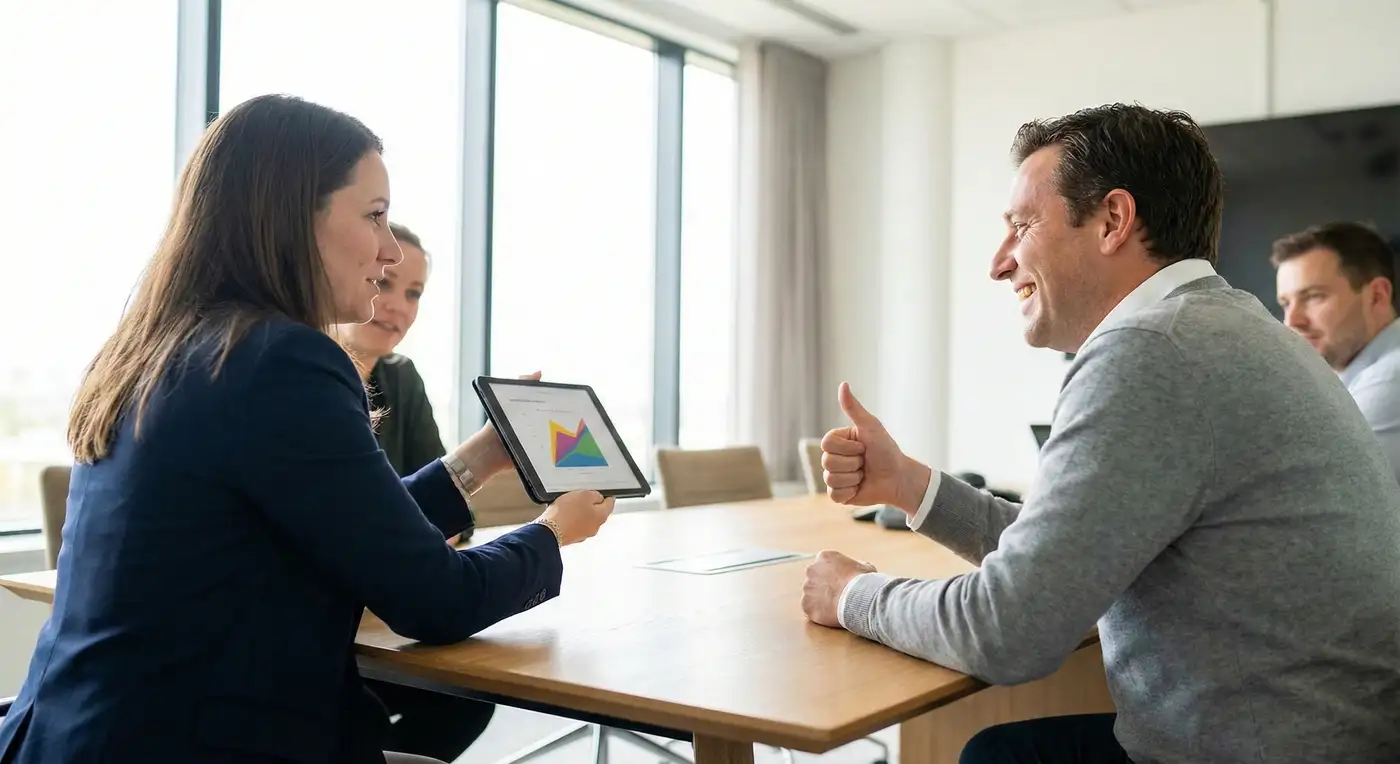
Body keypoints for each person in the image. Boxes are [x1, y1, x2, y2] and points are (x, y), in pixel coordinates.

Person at [0, 94, 615, 764]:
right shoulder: (281, 360)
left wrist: (483, 456)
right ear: (295, 217)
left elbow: (346, 522)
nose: (387, 251)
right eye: (374, 217)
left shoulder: (162, 351)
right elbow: (437, 599)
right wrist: (554, 532)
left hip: (70, 737)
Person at [803, 104, 1400, 763]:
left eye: (1022, 226)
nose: (999, 264)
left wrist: (851, 594)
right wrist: (911, 486)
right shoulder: (1234, 329)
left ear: (1114, 220)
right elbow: (1072, 560)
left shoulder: (1151, 350)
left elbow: (1008, 629)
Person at [333, 222, 499, 761]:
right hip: (334, 629)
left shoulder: (401, 378)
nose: (398, 306)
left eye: (414, 293)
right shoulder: (309, 383)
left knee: (466, 699)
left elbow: (453, 512)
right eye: (384, 283)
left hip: (381, 613)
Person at [1272, 221, 1400, 481]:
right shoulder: (1348, 377)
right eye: (1286, 303)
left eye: (1313, 296)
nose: (1292, 321)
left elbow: (1308, 496)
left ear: (1377, 296)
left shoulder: (1392, 377)